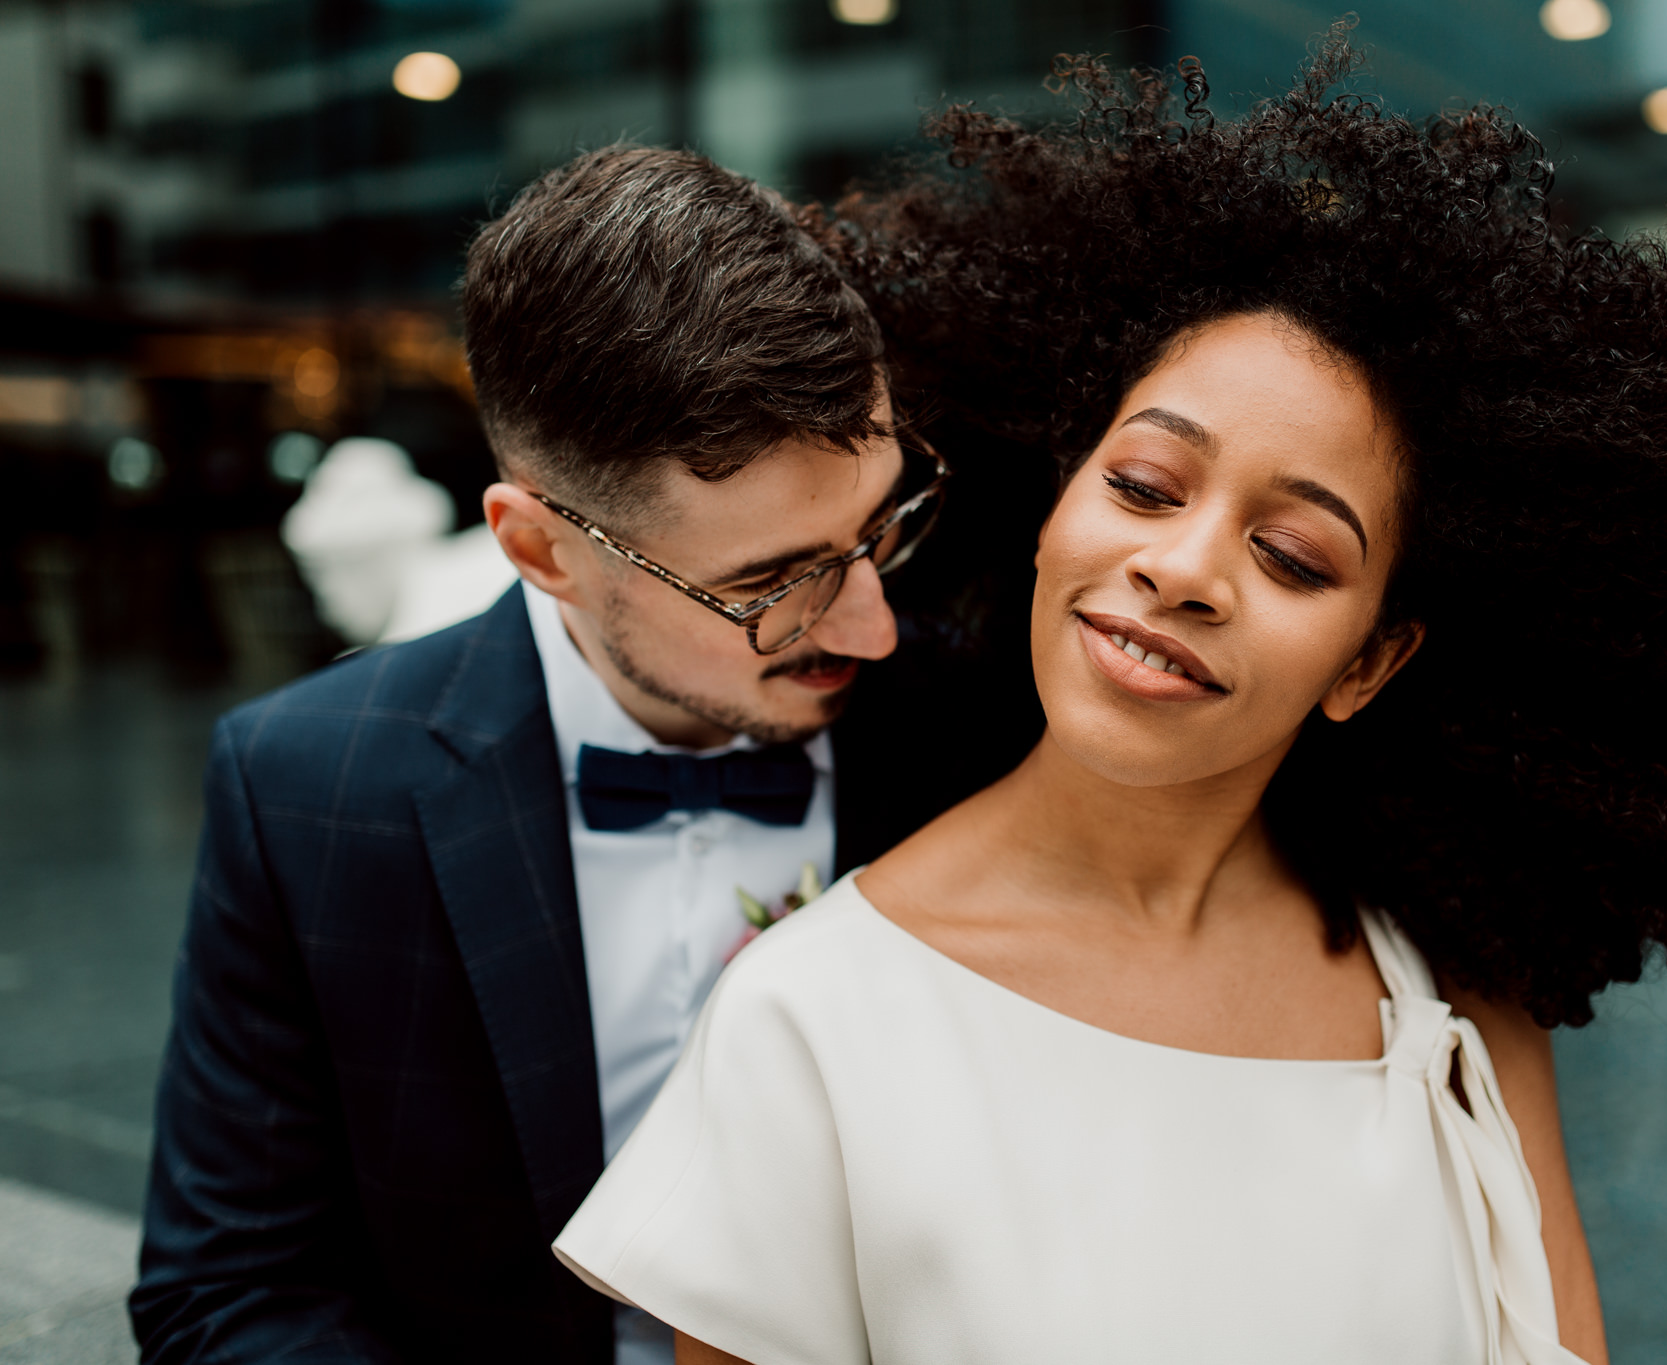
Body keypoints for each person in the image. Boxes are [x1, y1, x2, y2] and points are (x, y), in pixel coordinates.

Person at [550, 33, 1667, 1365]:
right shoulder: (812, 1020)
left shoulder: (1447, 993)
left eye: (1295, 555)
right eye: (1141, 484)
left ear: (1371, 661)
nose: (1183, 569)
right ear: (1050, 510)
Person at [129, 146, 1038, 1365]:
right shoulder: (306, 788)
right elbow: (228, 1290)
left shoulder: (983, 730)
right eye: (771, 584)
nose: (868, 623)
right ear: (543, 550)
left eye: (879, 527)